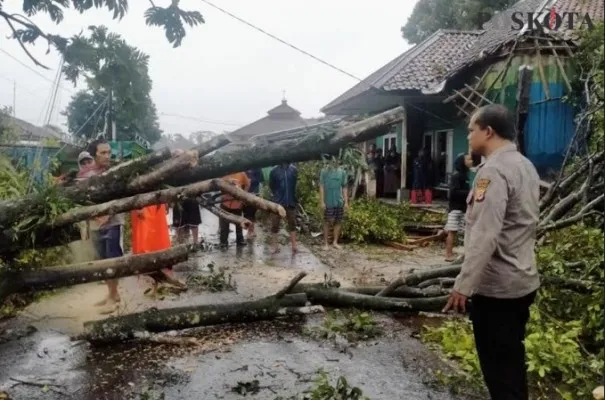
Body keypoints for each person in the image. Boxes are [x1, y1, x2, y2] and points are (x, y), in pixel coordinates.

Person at [443, 104, 540, 400]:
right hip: (522, 281)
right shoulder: (525, 165)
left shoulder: (494, 171)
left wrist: (464, 285)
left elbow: (485, 235)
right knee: (511, 363)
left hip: (497, 289)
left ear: (488, 131)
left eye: (471, 130)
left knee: (499, 372)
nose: (469, 136)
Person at [80, 139, 125, 314]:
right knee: (101, 260)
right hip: (94, 223)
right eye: (103, 153)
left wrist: (106, 215)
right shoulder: (87, 175)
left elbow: (120, 194)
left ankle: (113, 297)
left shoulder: (117, 171)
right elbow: (83, 199)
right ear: (94, 155)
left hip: (113, 221)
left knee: (112, 259)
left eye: (109, 152)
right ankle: (112, 294)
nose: (107, 155)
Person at [132, 204, 186, 293]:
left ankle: (161, 271)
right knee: (145, 236)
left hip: (154, 205)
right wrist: (139, 206)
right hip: (144, 205)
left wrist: (164, 202)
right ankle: (149, 271)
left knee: (158, 234)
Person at [444, 153, 473, 262]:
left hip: (463, 208)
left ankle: (462, 254)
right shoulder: (456, 176)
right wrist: (470, 193)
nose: (471, 161)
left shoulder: (465, 176)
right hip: (455, 209)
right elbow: (453, 193)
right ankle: (448, 254)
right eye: (468, 159)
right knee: (452, 231)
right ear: (462, 162)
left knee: (463, 232)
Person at [269, 163, 298, 254]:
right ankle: (274, 246)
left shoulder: (293, 169)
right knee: (275, 224)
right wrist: (277, 196)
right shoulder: (274, 171)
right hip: (278, 202)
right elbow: (272, 186)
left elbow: (294, 184)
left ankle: (294, 246)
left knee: (292, 223)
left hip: (290, 201)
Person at [319, 160, 348, 250]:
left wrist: (346, 201)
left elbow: (344, 187)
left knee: (338, 221)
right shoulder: (324, 171)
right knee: (327, 221)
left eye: (337, 159)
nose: (335, 161)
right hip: (328, 200)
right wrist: (322, 201)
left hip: (339, 201)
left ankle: (335, 242)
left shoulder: (342, 172)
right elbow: (321, 187)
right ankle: (326, 243)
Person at [219, 171, 250, 249]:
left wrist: (243, 194)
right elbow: (218, 183)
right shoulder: (225, 173)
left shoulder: (242, 173)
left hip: (237, 203)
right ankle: (223, 242)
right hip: (225, 202)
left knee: (239, 224)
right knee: (224, 225)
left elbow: (247, 184)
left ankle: (240, 241)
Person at [243, 168, 264, 239]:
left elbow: (261, 181)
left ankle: (251, 230)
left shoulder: (258, 169)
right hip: (245, 193)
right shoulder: (244, 169)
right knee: (246, 213)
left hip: (255, 194)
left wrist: (251, 180)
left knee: (252, 213)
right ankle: (250, 230)